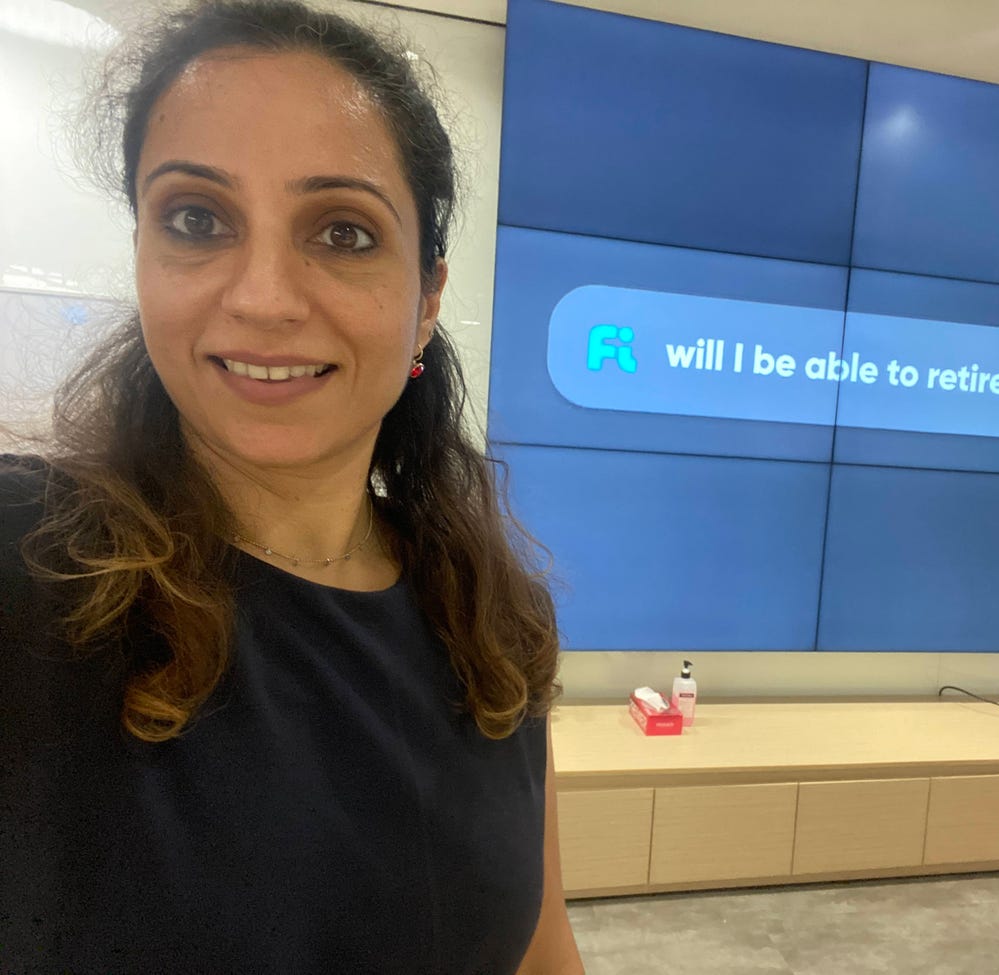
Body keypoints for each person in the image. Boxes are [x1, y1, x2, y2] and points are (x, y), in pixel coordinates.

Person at [0, 1, 584, 971]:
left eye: (342, 233)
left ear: (426, 297)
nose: (263, 296)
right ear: (144, 255)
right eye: (197, 219)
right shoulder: (25, 568)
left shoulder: (494, 620)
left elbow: (539, 951)